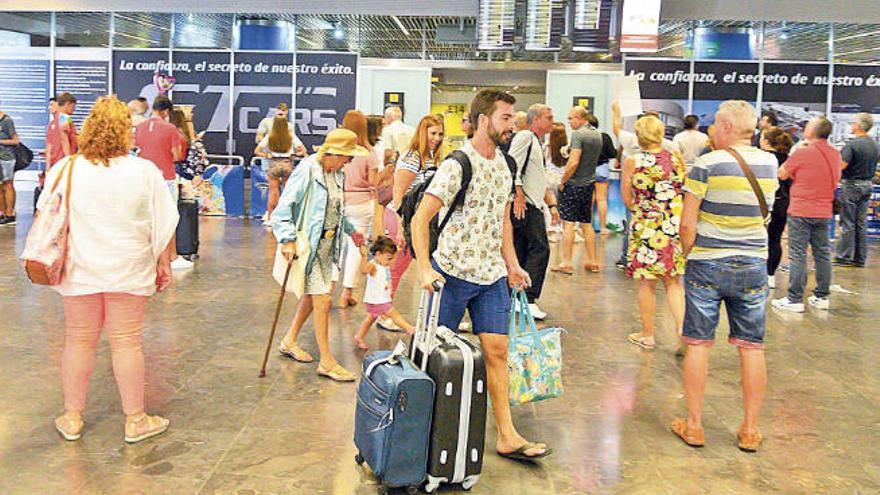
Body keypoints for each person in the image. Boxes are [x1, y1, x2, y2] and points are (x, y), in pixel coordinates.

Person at [413, 89, 550, 461]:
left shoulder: (505, 164)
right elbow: (420, 219)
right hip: (451, 275)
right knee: (430, 356)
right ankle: (417, 435)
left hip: (491, 277)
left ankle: (507, 434)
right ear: (484, 119)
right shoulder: (458, 163)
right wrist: (425, 268)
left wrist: (512, 264)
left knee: (497, 351)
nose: (513, 123)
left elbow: (502, 220)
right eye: (506, 117)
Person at [44, 96, 178, 444]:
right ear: (125, 130)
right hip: (130, 268)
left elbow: (49, 213)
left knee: (78, 341)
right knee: (126, 343)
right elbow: (163, 223)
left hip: (78, 268)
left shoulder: (67, 169)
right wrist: (163, 264)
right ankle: (135, 419)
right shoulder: (144, 171)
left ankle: (72, 417)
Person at [674, 100, 778, 453]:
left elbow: (687, 222)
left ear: (729, 127)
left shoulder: (706, 164)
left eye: (716, 125)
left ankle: (694, 425)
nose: (711, 131)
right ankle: (750, 429)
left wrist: (690, 255)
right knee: (752, 346)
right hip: (752, 264)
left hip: (708, 261)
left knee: (699, 343)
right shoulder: (770, 162)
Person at [272, 128, 369, 382]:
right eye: (347, 156)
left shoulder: (337, 174)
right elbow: (282, 210)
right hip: (309, 246)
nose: (350, 162)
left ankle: (290, 339)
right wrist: (288, 239)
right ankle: (327, 361)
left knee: (312, 296)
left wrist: (352, 231)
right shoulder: (307, 170)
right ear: (333, 153)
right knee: (323, 300)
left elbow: (337, 209)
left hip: (328, 246)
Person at [621, 115, 686, 350]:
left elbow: (627, 198)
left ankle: (648, 335)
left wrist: (643, 208)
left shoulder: (633, 161)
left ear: (639, 135)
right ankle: (681, 331)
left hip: (646, 227)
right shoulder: (676, 159)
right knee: (674, 282)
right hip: (672, 226)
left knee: (646, 283)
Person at [772, 117, 841, 312]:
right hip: (824, 210)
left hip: (801, 209)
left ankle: (794, 299)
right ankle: (822, 296)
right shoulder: (835, 153)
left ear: (812, 131)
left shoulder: (802, 152)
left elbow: (782, 173)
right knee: (822, 253)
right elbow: (836, 178)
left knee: (797, 254)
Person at [386, 114, 445, 311]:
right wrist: (401, 229)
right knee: (395, 269)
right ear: (422, 132)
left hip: (417, 220)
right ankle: (383, 311)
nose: (437, 138)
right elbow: (398, 194)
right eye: (433, 133)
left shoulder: (429, 157)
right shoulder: (413, 157)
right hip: (404, 219)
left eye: (440, 134)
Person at [509, 104, 559, 320]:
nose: (552, 121)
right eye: (548, 117)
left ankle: (517, 296)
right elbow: (512, 166)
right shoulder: (525, 138)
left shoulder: (537, 142)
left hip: (532, 202)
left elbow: (537, 176)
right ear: (536, 119)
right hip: (526, 204)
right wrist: (518, 193)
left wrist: (551, 204)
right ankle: (527, 298)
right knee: (540, 248)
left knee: (523, 249)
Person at [134, 95, 191, 270]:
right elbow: (176, 156)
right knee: (169, 219)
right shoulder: (170, 129)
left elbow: (137, 150)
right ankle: (172, 257)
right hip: (165, 177)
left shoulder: (140, 127)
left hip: (143, 178)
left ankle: (147, 257)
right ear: (166, 112)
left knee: (145, 219)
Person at [551, 106, 602, 274]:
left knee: (568, 223)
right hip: (589, 183)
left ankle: (566, 262)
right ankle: (593, 261)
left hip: (574, 184)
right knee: (586, 223)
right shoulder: (597, 134)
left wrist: (563, 181)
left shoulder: (578, 135)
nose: (569, 121)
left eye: (571, 118)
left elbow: (573, 162)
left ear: (580, 118)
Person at [338, 110, 380, 309]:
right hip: (362, 204)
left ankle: (328, 289)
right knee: (357, 248)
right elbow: (374, 183)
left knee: (336, 247)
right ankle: (347, 292)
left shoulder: (338, 151)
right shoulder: (369, 154)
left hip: (339, 202)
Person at [352, 237, 415, 350]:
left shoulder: (383, 264)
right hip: (377, 300)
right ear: (378, 254)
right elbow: (363, 271)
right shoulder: (373, 265)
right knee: (393, 313)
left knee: (371, 318)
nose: (391, 262)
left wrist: (399, 248)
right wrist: (364, 257)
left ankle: (359, 336)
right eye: (389, 258)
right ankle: (409, 328)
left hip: (379, 299)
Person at [835, 113, 878, 268]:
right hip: (867, 185)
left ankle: (843, 256)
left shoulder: (852, 145)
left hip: (852, 185)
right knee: (861, 222)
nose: (851, 125)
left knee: (847, 222)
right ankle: (860, 258)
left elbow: (842, 165)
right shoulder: (874, 145)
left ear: (859, 126)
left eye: (853, 123)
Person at [761, 127, 794, 288]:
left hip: (763, 203)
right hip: (783, 202)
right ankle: (770, 275)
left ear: (766, 141)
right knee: (775, 239)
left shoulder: (763, 158)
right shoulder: (789, 159)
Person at [255, 116, 302, 220]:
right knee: (288, 192)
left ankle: (271, 218)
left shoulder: (269, 136)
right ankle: (289, 217)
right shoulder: (291, 136)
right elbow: (302, 151)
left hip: (274, 164)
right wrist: (293, 155)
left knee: (273, 192)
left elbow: (257, 151)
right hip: (287, 164)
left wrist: (267, 155)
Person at [586, 113, 618, 235]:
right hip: (602, 169)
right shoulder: (604, 137)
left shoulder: (583, 137)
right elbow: (612, 154)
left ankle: (585, 227)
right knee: (601, 199)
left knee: (588, 200)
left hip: (587, 170)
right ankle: (603, 228)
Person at [544, 122, 568, 242]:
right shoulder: (568, 149)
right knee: (563, 205)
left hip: (549, 179)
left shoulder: (546, 147)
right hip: (563, 179)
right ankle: (563, 229)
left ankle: (552, 229)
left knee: (551, 206)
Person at [46, 92, 78, 171]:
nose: (74, 109)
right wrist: (68, 160)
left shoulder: (52, 124)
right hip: (64, 162)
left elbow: (49, 147)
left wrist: (48, 167)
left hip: (54, 162)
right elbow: (64, 140)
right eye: (73, 106)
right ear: (68, 104)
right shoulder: (67, 119)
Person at [0, 106, 20, 225]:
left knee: (8, 185)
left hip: (7, 158)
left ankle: (10, 214)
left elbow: (16, 141)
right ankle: (2, 213)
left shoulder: (7, 121)